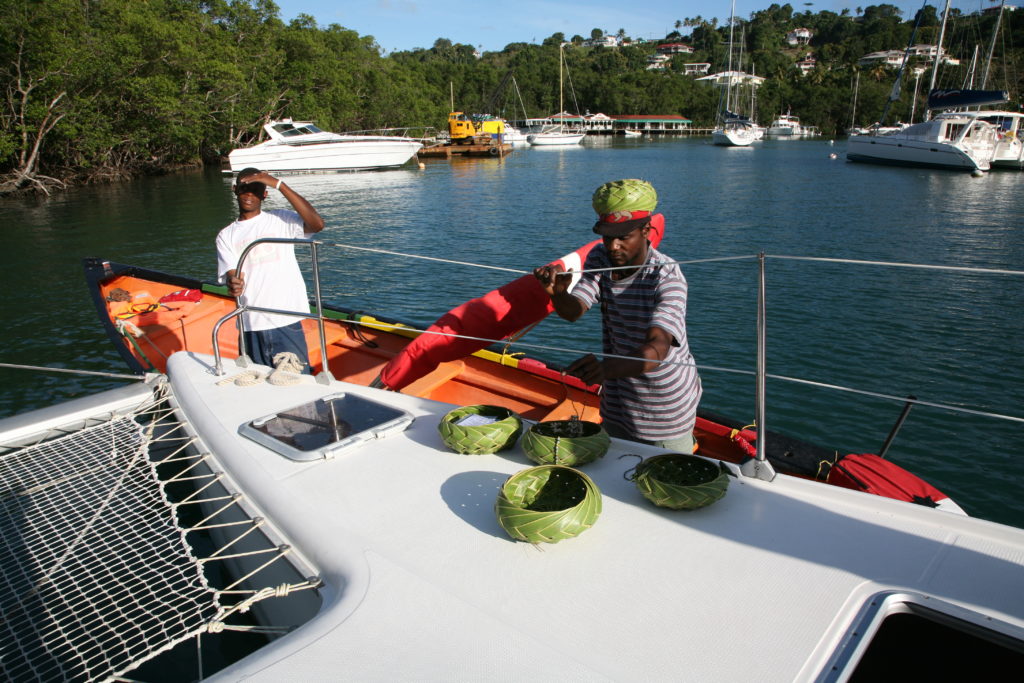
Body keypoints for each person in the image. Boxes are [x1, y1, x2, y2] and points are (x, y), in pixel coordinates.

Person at [533, 179, 702, 454]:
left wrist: (604, 370)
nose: (613, 246)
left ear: (646, 230)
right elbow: (574, 311)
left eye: (624, 237)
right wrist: (558, 294)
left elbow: (657, 349)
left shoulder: (667, 276)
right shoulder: (601, 258)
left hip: (663, 411)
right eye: (608, 236)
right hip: (617, 399)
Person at [216, 167, 325, 371]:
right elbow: (232, 276)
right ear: (235, 190)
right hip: (249, 324)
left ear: (264, 194)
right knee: (259, 386)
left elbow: (317, 224)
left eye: (256, 190)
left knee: (297, 381)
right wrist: (234, 284)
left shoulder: (280, 219)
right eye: (244, 189)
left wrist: (279, 184)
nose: (249, 195)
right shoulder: (225, 235)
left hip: (285, 320)